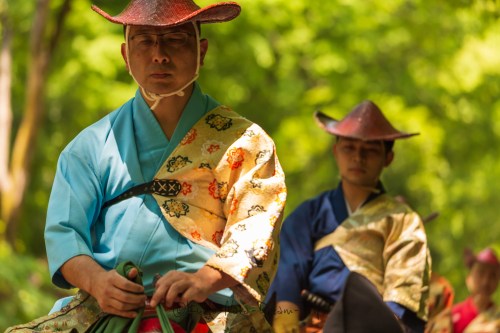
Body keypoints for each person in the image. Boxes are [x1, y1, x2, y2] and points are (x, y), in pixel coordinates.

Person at [6, 0, 286, 332]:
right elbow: (65, 233)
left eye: (176, 39)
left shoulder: (245, 142)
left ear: (202, 50)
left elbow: (256, 229)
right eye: (145, 40)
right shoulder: (90, 146)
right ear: (126, 55)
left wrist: (203, 280)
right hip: (106, 306)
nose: (159, 54)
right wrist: (98, 282)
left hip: (212, 310)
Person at [268, 100, 431, 333]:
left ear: (388, 158)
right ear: (336, 151)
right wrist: (286, 318)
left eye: (370, 150)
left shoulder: (404, 221)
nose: (358, 157)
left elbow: (405, 291)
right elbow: (288, 273)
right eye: (349, 148)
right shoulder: (309, 214)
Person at [451, 247, 500, 333]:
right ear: (468, 279)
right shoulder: (452, 315)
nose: (486, 281)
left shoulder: (498, 316)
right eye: (481, 273)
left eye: (493, 275)